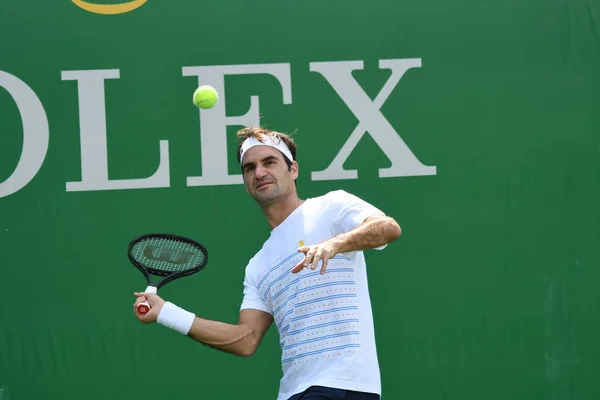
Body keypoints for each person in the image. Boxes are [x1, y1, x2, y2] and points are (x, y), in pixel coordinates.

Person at [133, 127, 402, 400]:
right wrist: (165, 312)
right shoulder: (258, 265)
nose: (259, 172)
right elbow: (245, 339)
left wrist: (333, 244)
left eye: (269, 162)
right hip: (293, 393)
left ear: (293, 170)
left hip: (343, 386)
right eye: (249, 168)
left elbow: (387, 227)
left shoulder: (331, 207)